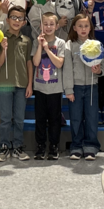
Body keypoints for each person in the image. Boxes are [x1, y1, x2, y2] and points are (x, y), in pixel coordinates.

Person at [0, 5, 33, 162]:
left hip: (22, 84)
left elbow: (29, 63)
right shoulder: (1, 38)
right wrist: (3, 49)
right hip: (5, 84)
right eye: (14, 18)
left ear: (24, 22)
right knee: (5, 118)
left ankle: (17, 146)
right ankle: (4, 147)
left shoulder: (26, 40)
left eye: (20, 18)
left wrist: (30, 84)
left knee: (19, 118)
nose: (17, 21)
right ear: (8, 20)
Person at [64, 14, 104, 160]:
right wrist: (68, 90)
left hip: (92, 87)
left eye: (86, 26)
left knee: (92, 117)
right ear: (74, 28)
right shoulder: (69, 45)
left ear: (90, 28)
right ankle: (76, 146)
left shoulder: (96, 44)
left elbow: (102, 65)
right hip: (76, 87)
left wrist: (98, 70)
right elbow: (67, 69)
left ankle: (91, 146)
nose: (83, 29)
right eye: (80, 26)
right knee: (75, 118)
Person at [31, 12, 67, 160]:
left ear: (57, 26)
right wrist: (40, 46)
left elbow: (59, 63)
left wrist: (47, 48)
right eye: (45, 24)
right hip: (40, 88)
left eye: (51, 24)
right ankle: (40, 146)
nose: (48, 27)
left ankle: (53, 146)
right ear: (41, 26)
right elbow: (36, 63)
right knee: (40, 119)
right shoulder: (36, 41)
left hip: (55, 89)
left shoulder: (60, 43)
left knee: (54, 119)